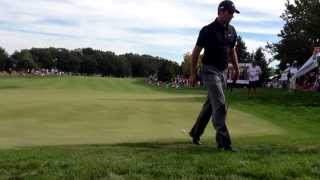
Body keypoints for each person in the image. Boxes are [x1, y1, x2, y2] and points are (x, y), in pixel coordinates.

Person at [189, 0, 240, 152]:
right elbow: (196, 52)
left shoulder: (232, 30)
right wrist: (193, 74)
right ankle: (224, 143)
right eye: (230, 13)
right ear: (222, 12)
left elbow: (232, 51)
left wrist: (236, 69)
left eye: (233, 13)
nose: (232, 16)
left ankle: (195, 133)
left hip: (223, 71)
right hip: (209, 70)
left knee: (210, 106)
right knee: (220, 103)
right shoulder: (207, 30)